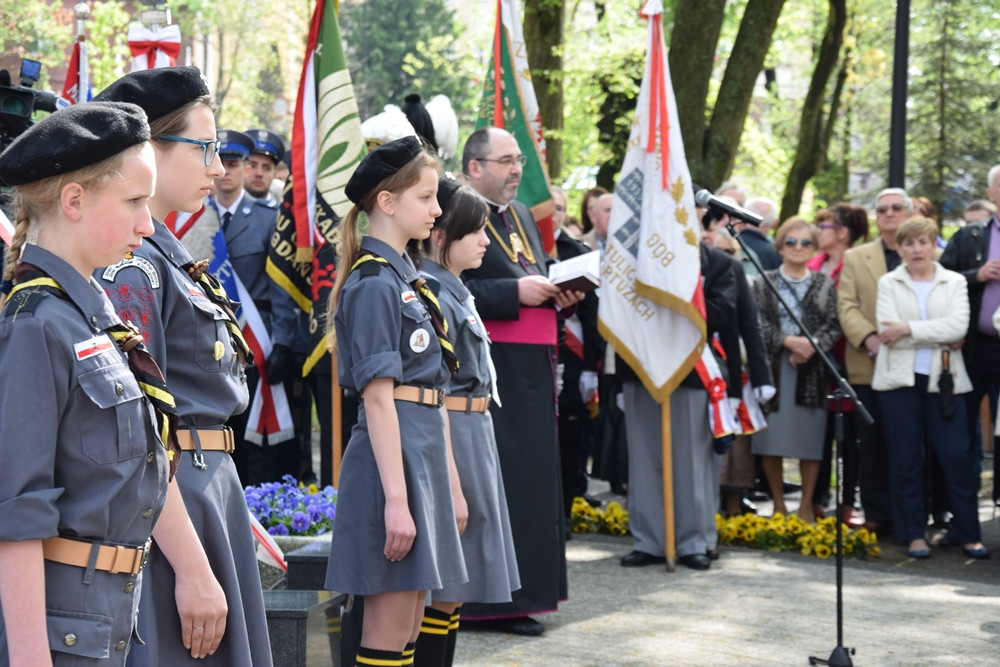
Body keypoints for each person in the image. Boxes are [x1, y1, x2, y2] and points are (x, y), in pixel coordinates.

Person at [94, 66, 272, 666]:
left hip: (204, 496)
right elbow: (142, 433)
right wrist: (194, 567)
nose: (219, 168)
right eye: (207, 148)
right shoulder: (132, 267)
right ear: (149, 149)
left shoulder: (163, 255)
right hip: (174, 510)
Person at [0, 102, 172, 666]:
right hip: (58, 634)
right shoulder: (35, 325)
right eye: (133, 202)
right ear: (73, 200)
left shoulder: (89, 317)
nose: (147, 225)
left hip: (111, 615)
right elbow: (16, 516)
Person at [323, 136, 468, 667]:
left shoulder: (408, 279)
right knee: (386, 637)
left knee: (409, 629)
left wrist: (448, 484)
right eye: (426, 198)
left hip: (420, 456)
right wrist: (398, 502)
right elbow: (379, 401)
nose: (437, 209)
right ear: (387, 202)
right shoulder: (373, 284)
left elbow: (433, 395)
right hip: (393, 466)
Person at [458, 127, 581, 636]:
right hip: (492, 367)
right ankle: (488, 605)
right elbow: (450, 286)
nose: (516, 170)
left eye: (519, 162)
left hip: (534, 370)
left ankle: (529, 595)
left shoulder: (523, 214)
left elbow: (534, 271)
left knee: (533, 485)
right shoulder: (456, 212)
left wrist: (559, 289)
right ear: (474, 167)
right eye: (506, 161)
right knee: (500, 483)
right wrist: (516, 293)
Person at [415, 176, 520, 667]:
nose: (485, 241)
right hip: (453, 434)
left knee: (457, 584)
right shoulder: (433, 294)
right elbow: (434, 391)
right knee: (446, 583)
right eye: (475, 231)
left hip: (473, 431)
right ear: (440, 236)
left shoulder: (455, 291)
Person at [873, 216, 989, 559]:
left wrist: (907, 329)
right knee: (906, 459)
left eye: (923, 241)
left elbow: (957, 328)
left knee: (956, 456)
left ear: (934, 244)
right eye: (908, 243)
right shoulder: (888, 283)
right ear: (899, 248)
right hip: (898, 383)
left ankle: (969, 533)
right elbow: (885, 331)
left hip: (946, 382)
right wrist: (935, 334)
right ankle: (914, 534)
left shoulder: (953, 281)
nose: (916, 249)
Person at [210, 129, 296, 487]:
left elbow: (281, 286)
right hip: (206, 335)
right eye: (222, 163)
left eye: (235, 164)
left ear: (246, 168)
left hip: (253, 335)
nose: (227, 172)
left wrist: (284, 340)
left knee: (251, 429)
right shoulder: (192, 215)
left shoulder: (267, 217)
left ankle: (252, 502)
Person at [752, 219, 841, 522]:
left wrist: (810, 347)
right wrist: (788, 342)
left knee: (810, 442)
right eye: (791, 241)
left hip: (811, 373)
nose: (798, 248)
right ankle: (778, 505)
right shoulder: (764, 282)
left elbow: (834, 323)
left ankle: (806, 506)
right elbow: (757, 322)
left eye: (805, 242)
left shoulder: (824, 284)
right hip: (775, 370)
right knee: (771, 440)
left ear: (814, 247)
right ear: (780, 246)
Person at [837, 187, 913, 536]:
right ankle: (877, 514)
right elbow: (846, 306)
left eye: (897, 207)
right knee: (871, 445)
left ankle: (912, 517)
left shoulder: (927, 252)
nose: (889, 214)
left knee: (911, 444)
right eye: (882, 209)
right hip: (869, 364)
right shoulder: (856, 257)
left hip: (915, 363)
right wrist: (869, 339)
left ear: (910, 212)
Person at [940, 166, 1000, 506]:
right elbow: (940, 279)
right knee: (960, 432)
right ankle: (959, 513)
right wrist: (976, 274)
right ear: (991, 194)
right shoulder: (970, 236)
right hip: (973, 350)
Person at [807, 204, 870, 524]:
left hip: (849, 360)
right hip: (813, 363)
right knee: (820, 433)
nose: (818, 231)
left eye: (824, 225)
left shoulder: (857, 262)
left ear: (843, 232)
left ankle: (848, 502)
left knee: (850, 439)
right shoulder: (813, 262)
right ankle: (817, 498)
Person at [244, 129, 285, 204]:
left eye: (267, 168)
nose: (259, 173)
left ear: (274, 174)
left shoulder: (281, 210)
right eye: (252, 166)